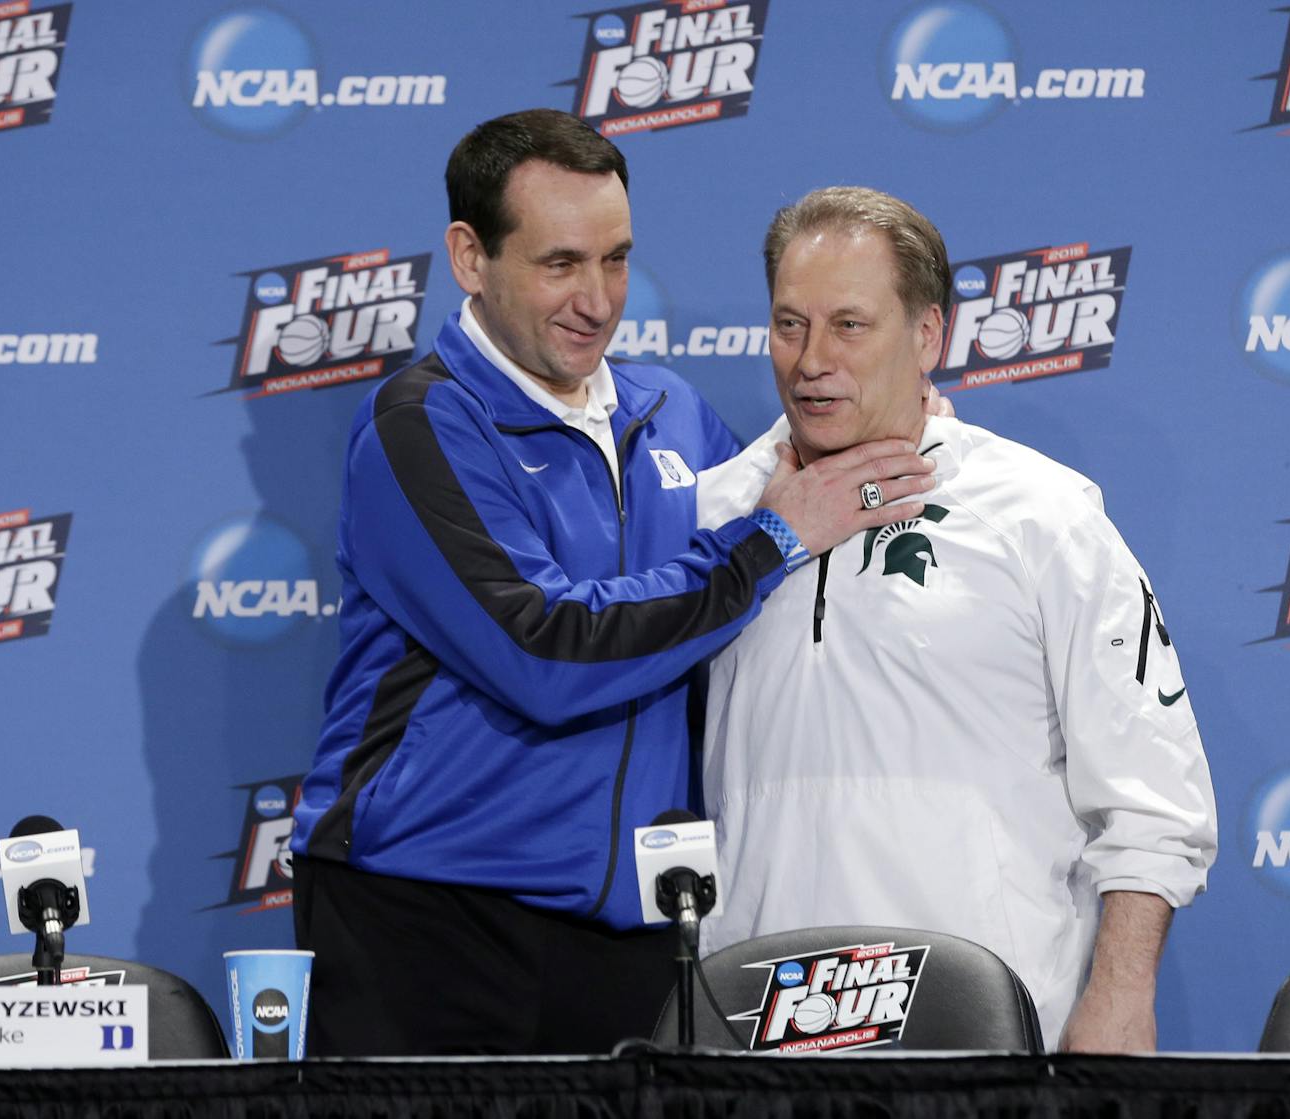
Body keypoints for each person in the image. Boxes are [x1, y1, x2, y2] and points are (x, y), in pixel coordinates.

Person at [287, 112, 937, 1056]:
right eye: (560, 264)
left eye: (616, 260)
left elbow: (804, 535)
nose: (598, 300)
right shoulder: (419, 425)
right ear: (470, 258)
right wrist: (767, 543)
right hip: (427, 918)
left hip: (635, 932)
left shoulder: (671, 411)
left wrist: (897, 452)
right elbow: (542, 646)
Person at [696, 187, 1217, 1052]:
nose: (812, 359)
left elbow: (1153, 795)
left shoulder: (1044, 516)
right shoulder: (714, 514)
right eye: (790, 325)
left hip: (986, 1039)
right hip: (755, 1036)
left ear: (929, 334)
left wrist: (1121, 995)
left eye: (849, 325)